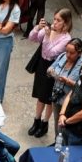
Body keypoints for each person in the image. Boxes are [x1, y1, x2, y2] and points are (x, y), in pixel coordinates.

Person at [26, 9, 72, 137]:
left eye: (58, 20)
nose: (55, 22)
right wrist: (37, 28)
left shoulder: (66, 38)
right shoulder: (50, 29)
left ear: (65, 23)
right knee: (40, 94)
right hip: (42, 64)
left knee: (49, 98)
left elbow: (51, 52)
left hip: (53, 68)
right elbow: (32, 38)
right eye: (55, 18)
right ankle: (36, 120)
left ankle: (44, 123)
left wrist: (46, 37)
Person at [45, 37, 82, 139]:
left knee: (65, 124)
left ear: (79, 53)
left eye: (72, 53)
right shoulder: (62, 56)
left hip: (69, 102)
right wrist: (51, 72)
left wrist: (67, 81)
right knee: (57, 121)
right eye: (67, 51)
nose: (68, 55)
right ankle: (57, 141)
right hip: (57, 96)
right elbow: (51, 68)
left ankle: (64, 143)